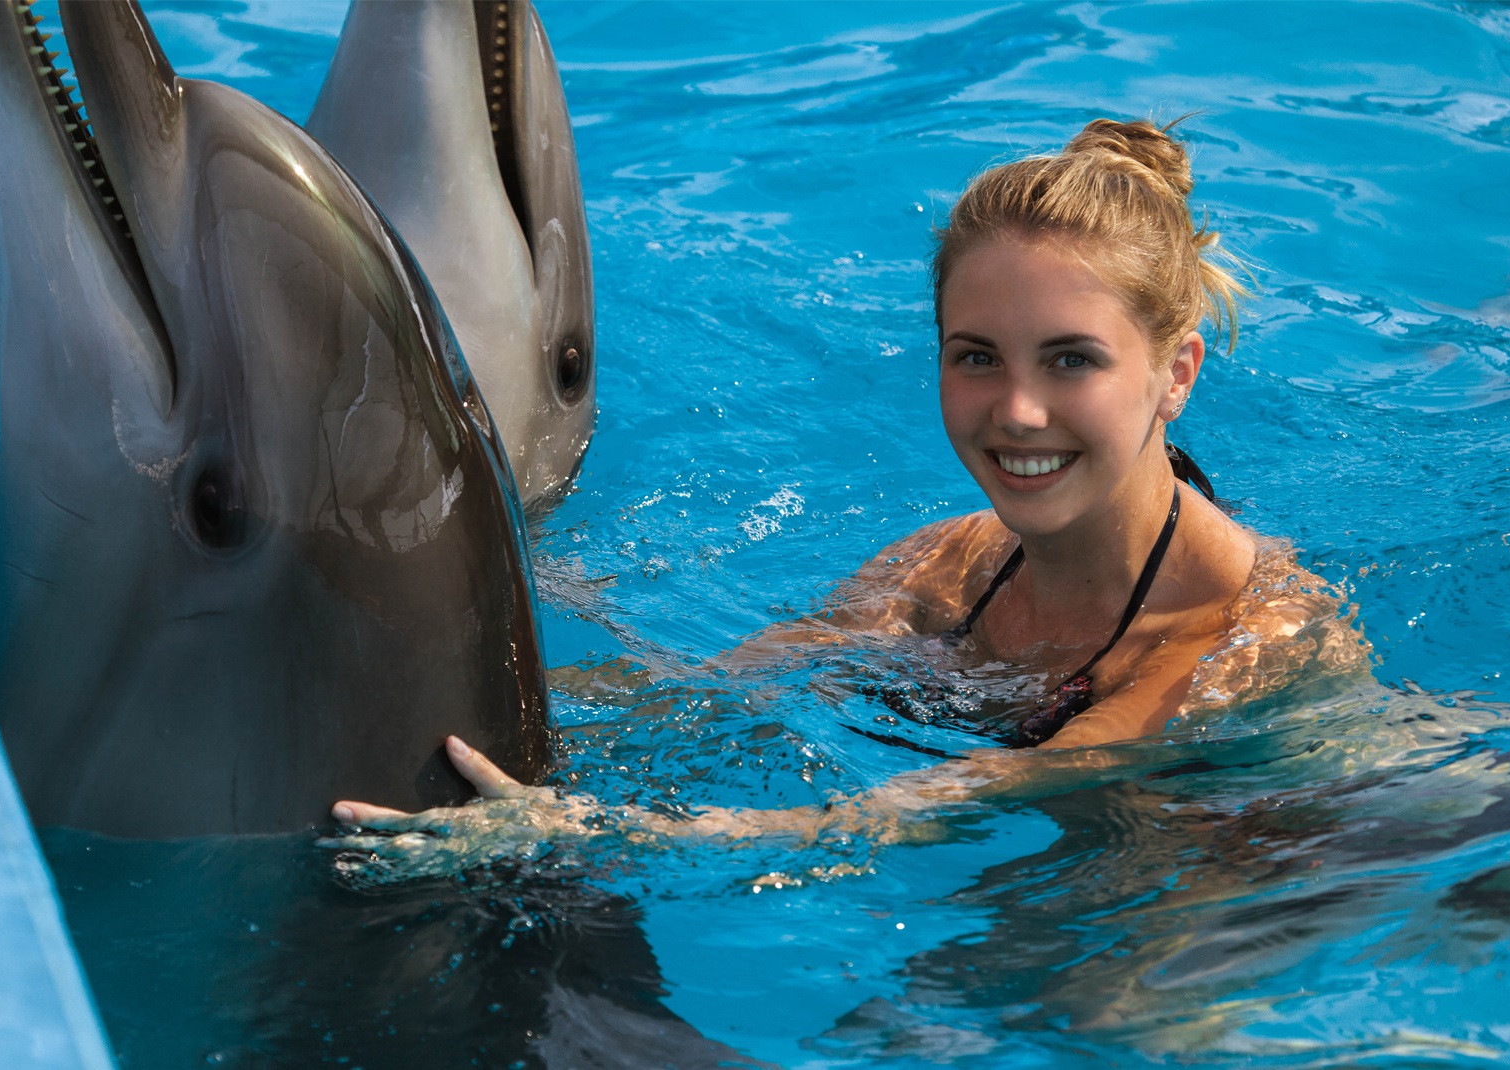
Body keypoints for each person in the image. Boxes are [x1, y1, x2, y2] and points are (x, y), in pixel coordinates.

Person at [330, 117, 1371, 853]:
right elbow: (716, 692)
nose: (1017, 411)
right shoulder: (949, 565)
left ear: (1175, 374)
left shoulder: (1232, 637)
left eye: (1070, 360)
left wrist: (592, 833)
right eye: (976, 356)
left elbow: (935, 804)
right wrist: (413, 700)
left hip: (1289, 876)